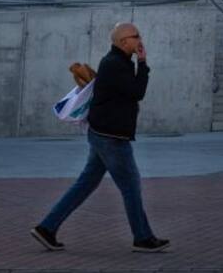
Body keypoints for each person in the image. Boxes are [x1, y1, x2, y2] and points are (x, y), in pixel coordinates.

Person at [31, 22, 170, 253]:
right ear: (123, 41)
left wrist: (138, 62)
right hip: (111, 138)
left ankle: (47, 228)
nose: (140, 39)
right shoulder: (115, 64)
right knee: (131, 186)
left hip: (103, 134)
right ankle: (143, 238)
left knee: (85, 184)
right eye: (136, 36)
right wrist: (143, 63)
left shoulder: (118, 61)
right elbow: (138, 92)